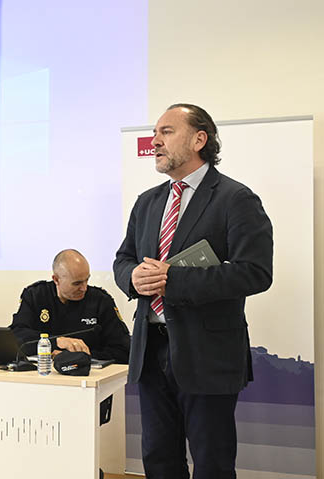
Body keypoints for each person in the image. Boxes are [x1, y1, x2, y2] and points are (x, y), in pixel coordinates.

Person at [113, 104, 273, 479]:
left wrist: (175, 281)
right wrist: (133, 277)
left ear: (200, 139)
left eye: (166, 132)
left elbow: (255, 273)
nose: (154, 141)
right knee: (158, 460)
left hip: (209, 355)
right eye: (155, 133)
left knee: (212, 464)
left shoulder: (236, 199)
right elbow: (123, 259)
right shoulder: (148, 202)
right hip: (150, 350)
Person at [9, 249, 130, 363]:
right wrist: (56, 342)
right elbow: (16, 336)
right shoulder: (35, 295)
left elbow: (123, 350)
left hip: (90, 374)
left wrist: (79, 357)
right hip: (43, 373)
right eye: (77, 283)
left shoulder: (100, 300)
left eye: (86, 280)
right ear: (56, 279)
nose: (84, 288)